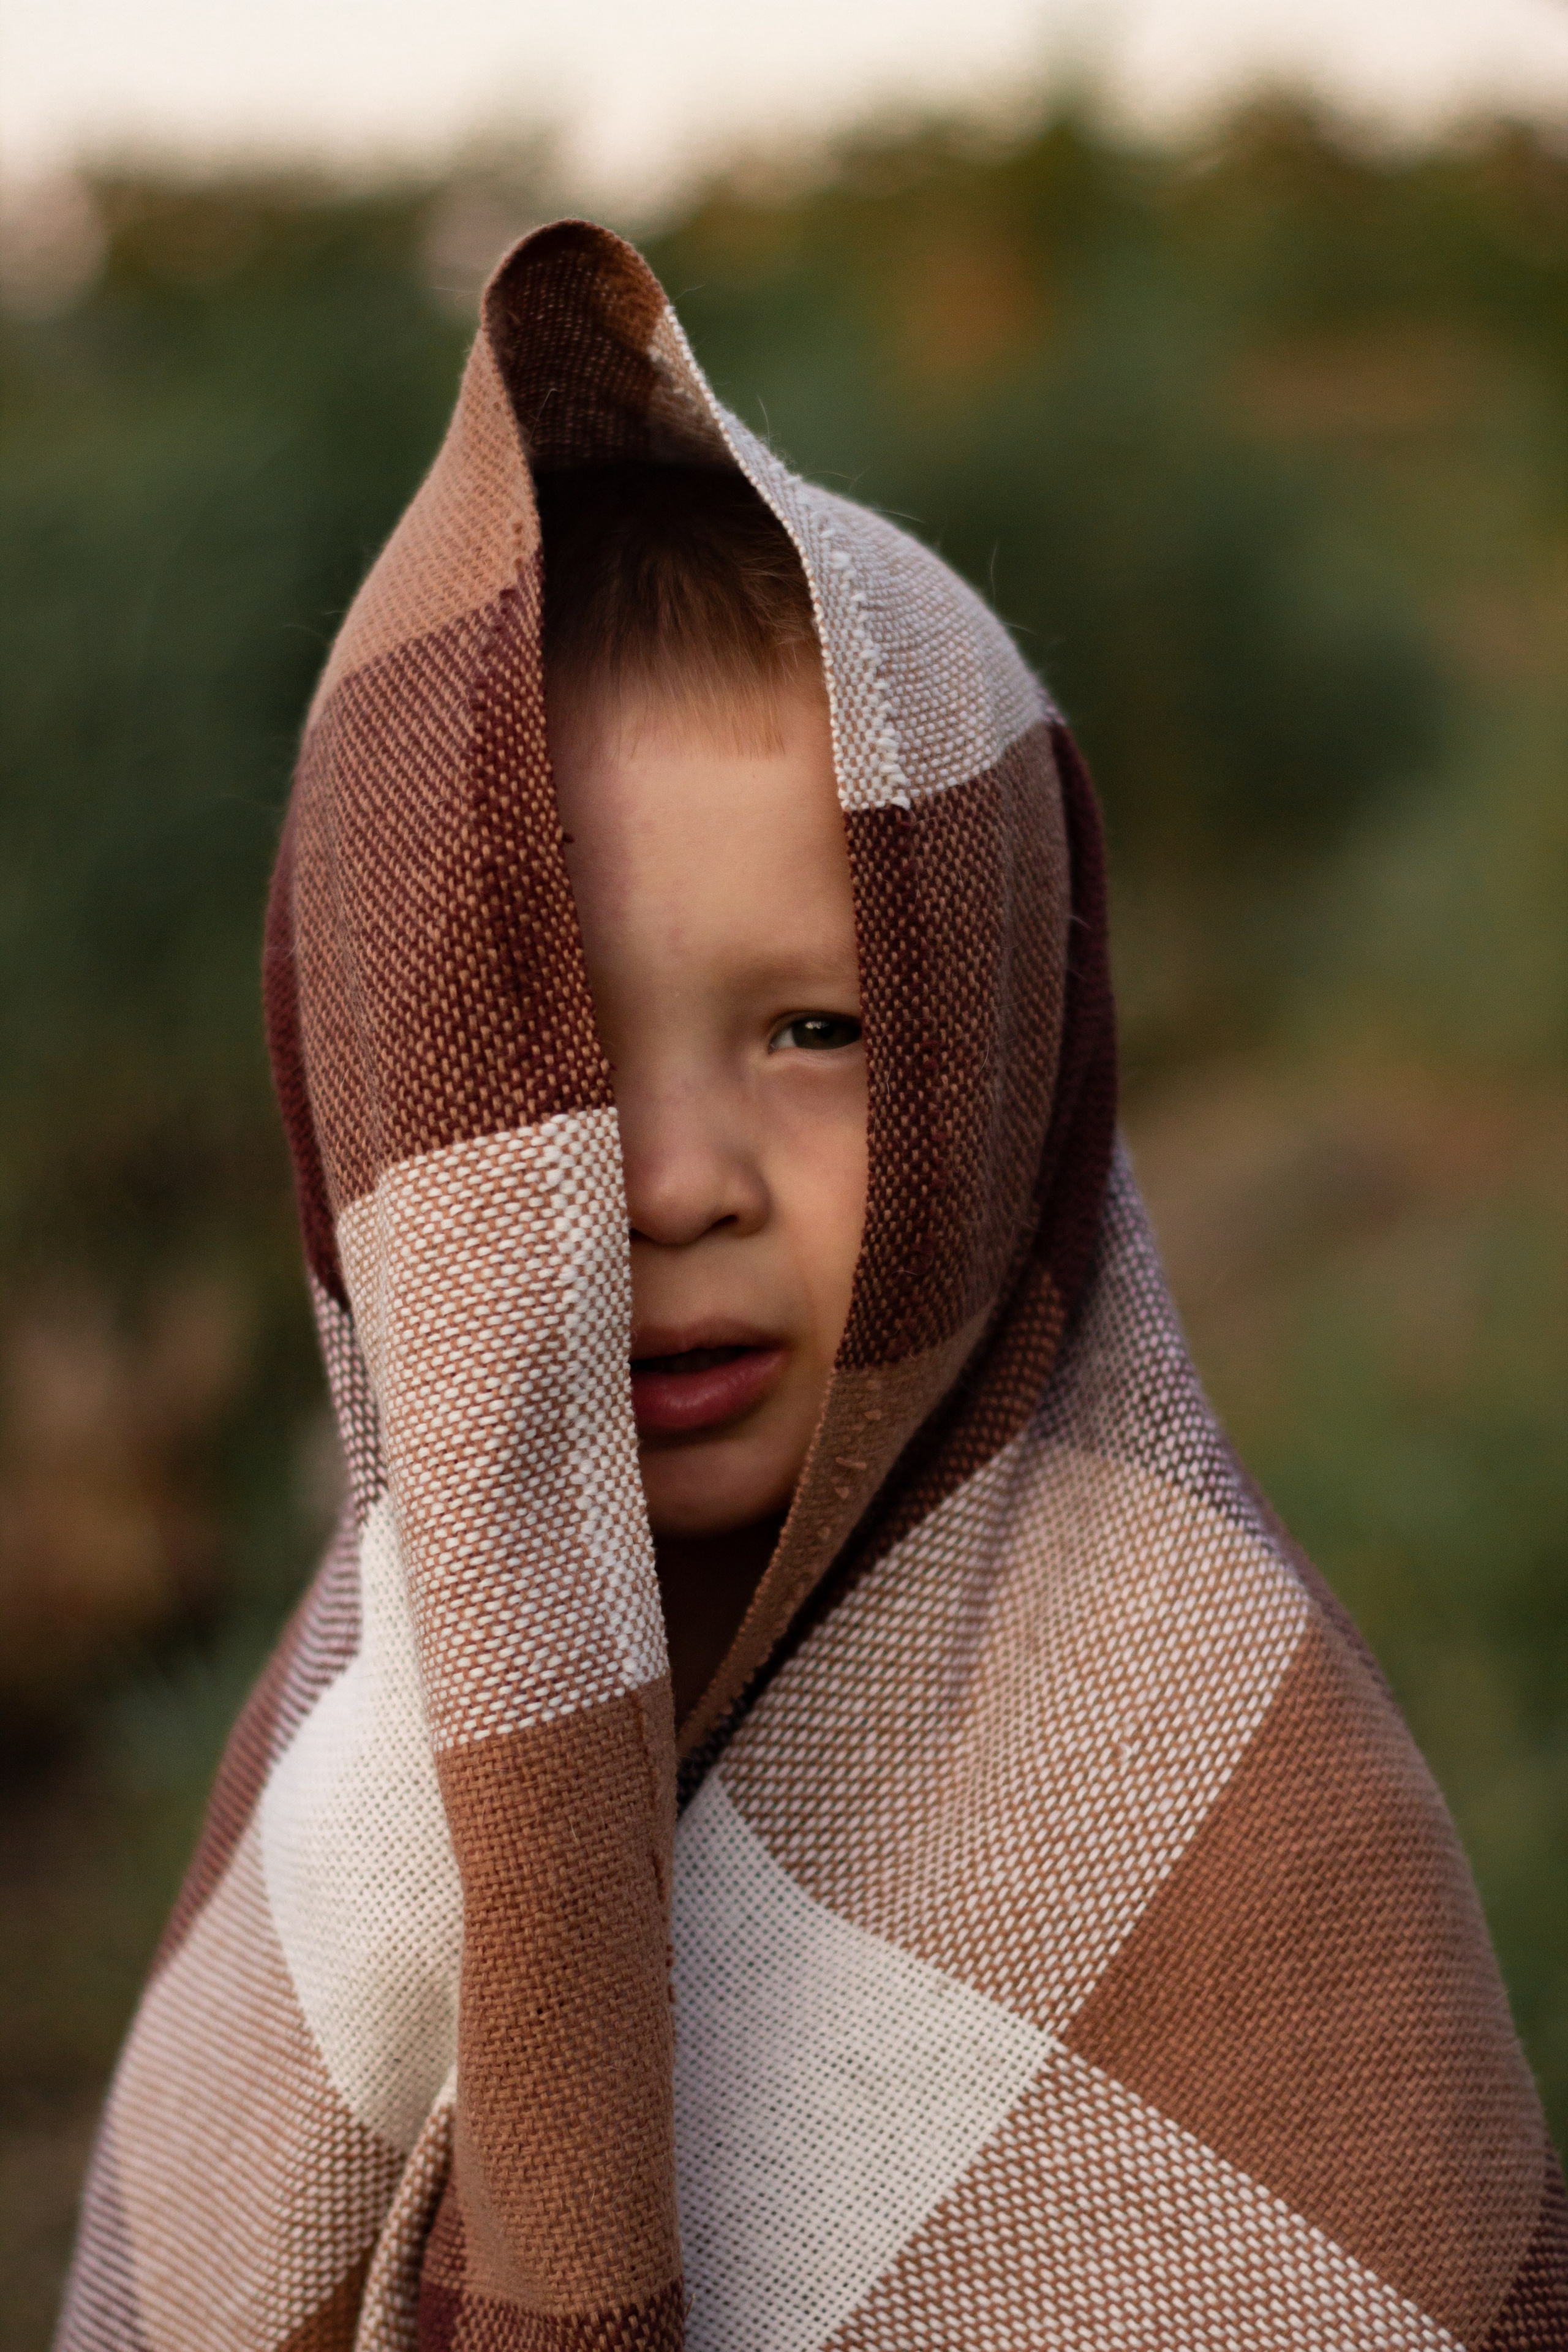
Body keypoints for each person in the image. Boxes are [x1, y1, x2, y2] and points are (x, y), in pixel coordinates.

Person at [56, 221, 1564, 2352]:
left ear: (997, 1058)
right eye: (555, 1050)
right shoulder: (355, 1748)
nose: (670, 1185)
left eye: (818, 1032)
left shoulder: (1220, 1791)